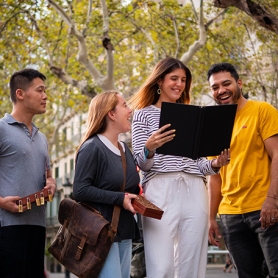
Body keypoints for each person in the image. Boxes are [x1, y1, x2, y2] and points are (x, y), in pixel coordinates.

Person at [129, 57, 230, 278]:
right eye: (173, 78)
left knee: (191, 266)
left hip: (195, 189)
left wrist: (215, 164)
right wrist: (150, 147)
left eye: (183, 80)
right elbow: (141, 163)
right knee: (162, 267)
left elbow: (198, 163)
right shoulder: (142, 114)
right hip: (160, 189)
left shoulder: (190, 114)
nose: (179, 84)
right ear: (159, 81)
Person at [207, 62, 278, 278]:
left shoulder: (261, 110)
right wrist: (211, 218)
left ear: (239, 83)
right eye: (215, 87)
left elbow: (277, 154)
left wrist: (272, 200)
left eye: (226, 83)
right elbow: (214, 175)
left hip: (263, 209)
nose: (221, 90)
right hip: (230, 215)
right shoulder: (214, 124)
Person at [73, 91, 141, 278]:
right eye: (125, 105)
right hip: (101, 233)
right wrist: (120, 198)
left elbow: (129, 188)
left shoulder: (124, 148)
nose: (130, 110)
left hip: (124, 229)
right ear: (111, 114)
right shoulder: (92, 147)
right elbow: (80, 190)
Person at [0, 68, 56, 278]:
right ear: (20, 94)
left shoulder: (42, 138)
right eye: (40, 90)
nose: (45, 96)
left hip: (37, 226)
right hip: (7, 228)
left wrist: (51, 184)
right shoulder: (2, 129)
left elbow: (48, 175)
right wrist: (1, 202)